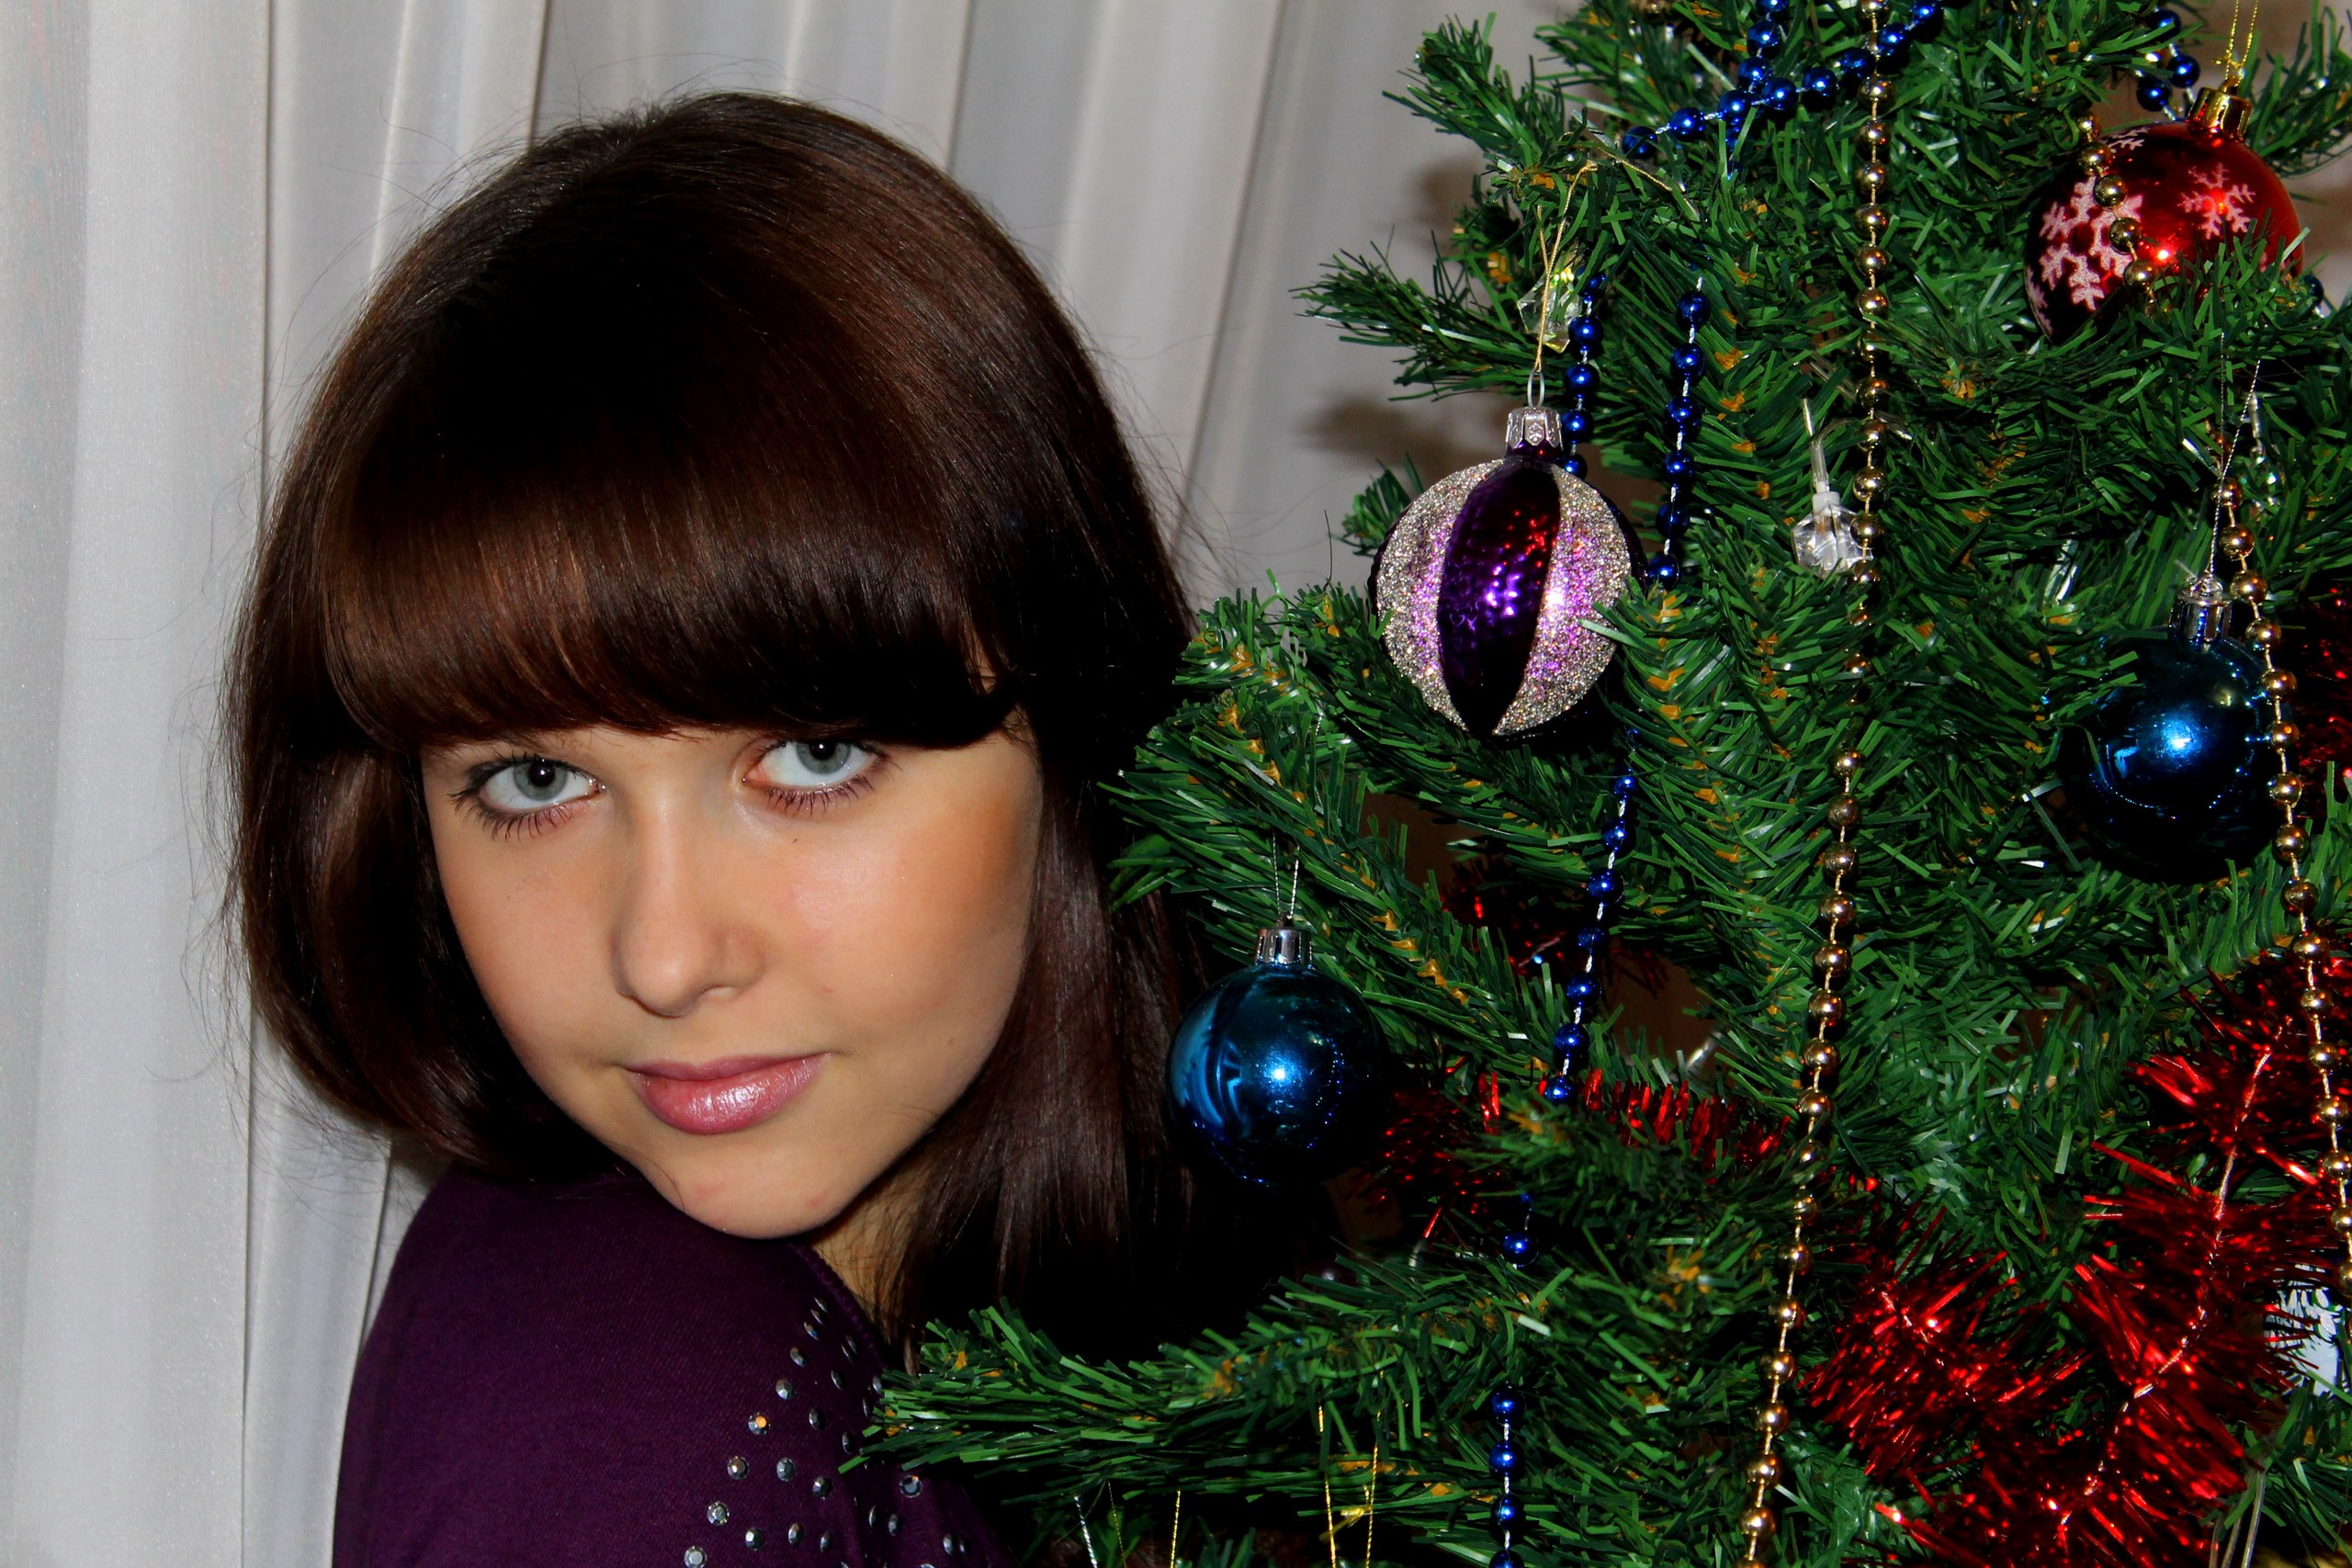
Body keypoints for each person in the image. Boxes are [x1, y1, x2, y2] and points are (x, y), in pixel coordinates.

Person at [230, 93, 1298, 1566]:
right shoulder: (636, 1400)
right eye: (534, 782)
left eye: (811, 756)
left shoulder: (1194, 1342)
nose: (665, 957)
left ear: (1076, 729)